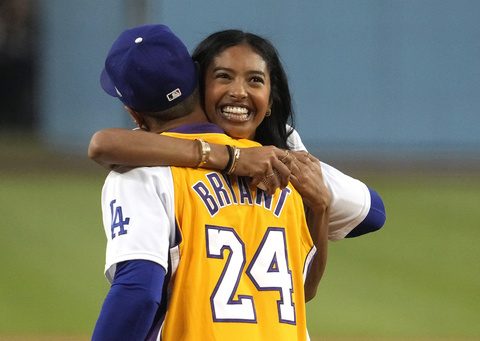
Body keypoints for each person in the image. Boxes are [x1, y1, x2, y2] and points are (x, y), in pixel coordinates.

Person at [92, 24, 326, 341]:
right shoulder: (278, 168)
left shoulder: (140, 172)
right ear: (199, 82)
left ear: (133, 113)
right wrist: (320, 208)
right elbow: (301, 290)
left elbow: (138, 291)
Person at [89, 29, 386, 242]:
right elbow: (103, 144)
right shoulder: (160, 144)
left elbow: (372, 212)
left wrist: (317, 204)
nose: (238, 92)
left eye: (255, 80)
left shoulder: (282, 145)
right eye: (223, 76)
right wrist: (232, 158)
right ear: (198, 81)